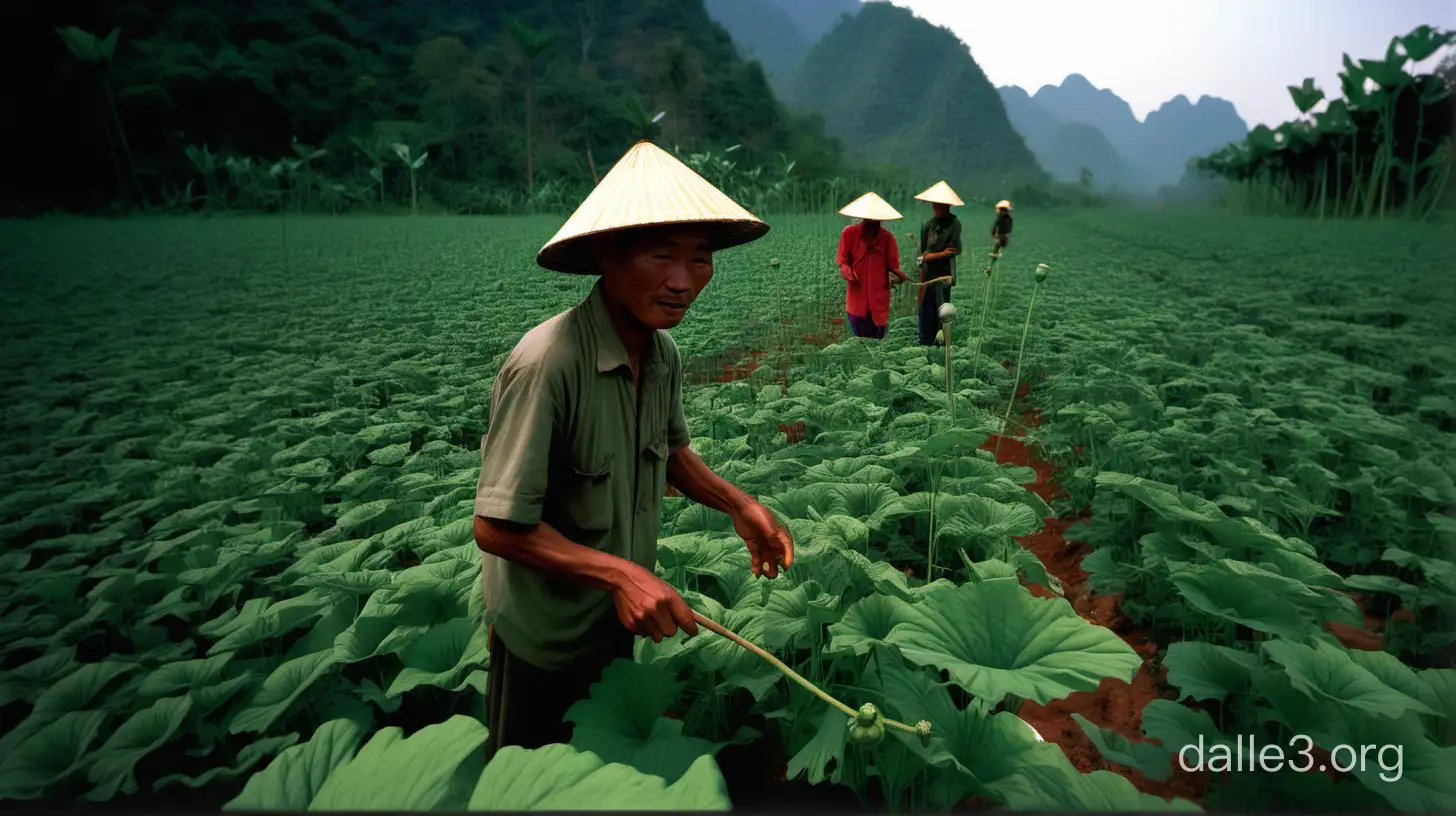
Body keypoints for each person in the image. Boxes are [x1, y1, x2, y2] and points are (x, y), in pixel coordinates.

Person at [473, 140, 795, 762]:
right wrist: (622, 573)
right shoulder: (549, 364)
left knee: (605, 779)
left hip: (616, 623)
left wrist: (739, 506)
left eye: (699, 259)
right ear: (606, 255)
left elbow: (670, 452)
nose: (682, 281)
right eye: (660, 255)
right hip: (547, 636)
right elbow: (494, 526)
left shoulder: (661, 352)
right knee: (534, 787)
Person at [836, 192, 910, 340]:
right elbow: (843, 261)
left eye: (876, 221)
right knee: (860, 340)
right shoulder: (849, 233)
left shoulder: (888, 239)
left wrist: (900, 276)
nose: (872, 224)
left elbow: (893, 266)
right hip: (857, 298)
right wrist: (847, 271)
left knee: (877, 340)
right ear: (863, 218)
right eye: (869, 221)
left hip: (879, 299)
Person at [914, 181, 963, 346]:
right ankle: (924, 342)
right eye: (935, 204)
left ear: (948, 205)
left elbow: (953, 250)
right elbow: (923, 255)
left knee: (941, 310)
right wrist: (935, 256)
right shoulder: (928, 224)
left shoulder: (954, 224)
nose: (937, 207)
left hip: (943, 275)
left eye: (941, 204)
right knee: (925, 309)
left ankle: (941, 345)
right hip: (928, 275)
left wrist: (932, 257)